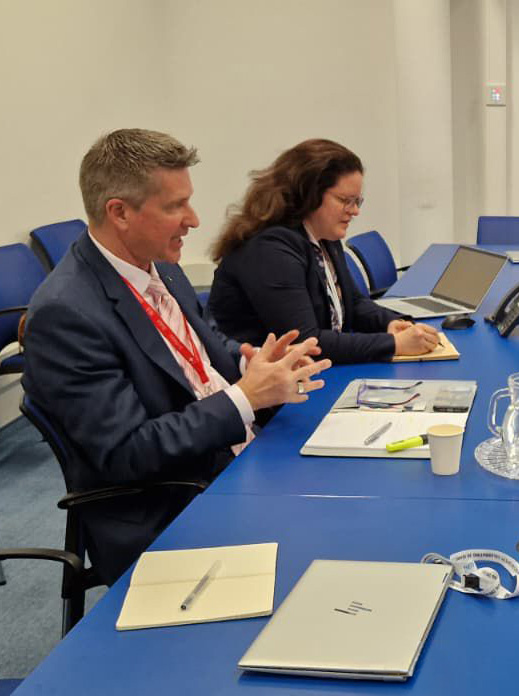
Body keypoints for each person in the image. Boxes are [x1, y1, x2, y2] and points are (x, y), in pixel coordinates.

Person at [21, 129, 331, 584]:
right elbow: (128, 452)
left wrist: (253, 364)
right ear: (119, 212)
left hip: (234, 457)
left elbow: (205, 345)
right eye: (174, 206)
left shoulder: (160, 265)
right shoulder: (66, 313)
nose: (194, 220)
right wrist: (246, 398)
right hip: (177, 500)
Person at [207, 139, 439, 364]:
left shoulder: (324, 235)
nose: (355, 211)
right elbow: (308, 343)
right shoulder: (270, 250)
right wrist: (393, 344)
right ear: (308, 194)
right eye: (345, 200)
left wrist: (391, 323)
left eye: (358, 201)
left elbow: (354, 303)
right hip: (269, 393)